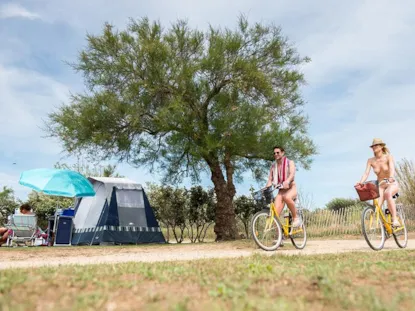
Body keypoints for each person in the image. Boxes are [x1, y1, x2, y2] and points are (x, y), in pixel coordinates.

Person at [356, 138, 400, 227]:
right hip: (381, 185)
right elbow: (366, 173)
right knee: (377, 207)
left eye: (376, 145)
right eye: (373, 146)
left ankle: (395, 219)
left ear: (381, 146)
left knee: (387, 194)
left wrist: (391, 177)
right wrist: (361, 182)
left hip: (391, 183)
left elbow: (392, 168)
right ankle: (384, 227)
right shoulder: (370, 160)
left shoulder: (388, 157)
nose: (374, 147)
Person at [265, 146, 302, 228]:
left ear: (282, 153)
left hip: (291, 188)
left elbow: (292, 174)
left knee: (287, 197)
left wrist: (287, 181)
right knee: (274, 215)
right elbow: (270, 180)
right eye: (274, 153)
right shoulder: (273, 167)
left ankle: (296, 218)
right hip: (281, 191)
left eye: (278, 152)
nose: (276, 154)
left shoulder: (290, 162)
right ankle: (279, 237)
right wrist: (266, 188)